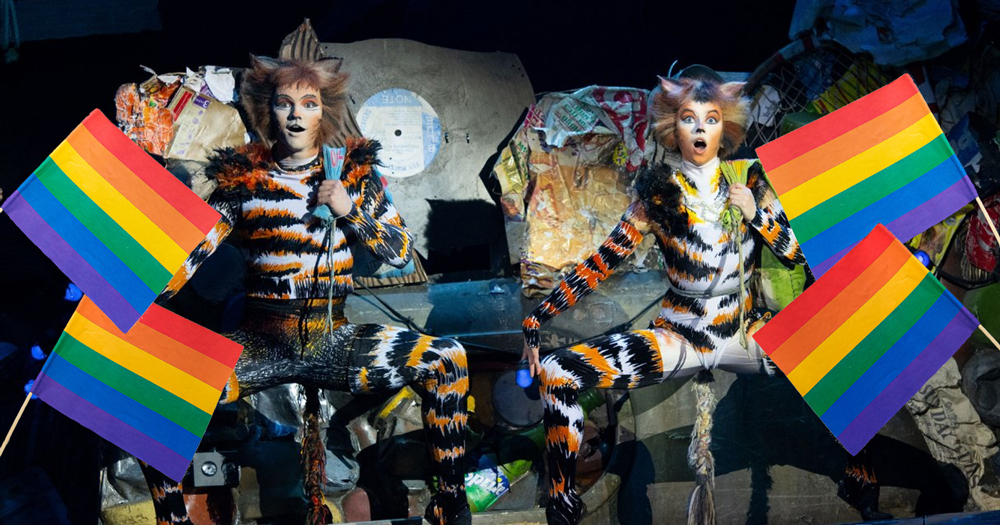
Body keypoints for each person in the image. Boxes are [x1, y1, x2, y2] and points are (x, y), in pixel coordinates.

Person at [149, 55, 471, 525]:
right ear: (270, 112)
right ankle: (172, 519)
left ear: (324, 112)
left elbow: (402, 251)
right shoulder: (244, 181)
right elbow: (191, 256)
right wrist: (140, 288)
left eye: (308, 103)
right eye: (285, 103)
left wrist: (349, 211)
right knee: (157, 388)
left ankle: (450, 505)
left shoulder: (356, 176)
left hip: (333, 335)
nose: (296, 114)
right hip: (262, 339)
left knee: (447, 359)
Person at [520, 69, 804, 525]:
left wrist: (756, 215)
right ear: (673, 127)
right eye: (689, 119)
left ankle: (860, 475)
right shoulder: (658, 194)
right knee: (557, 373)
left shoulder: (750, 181)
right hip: (680, 338)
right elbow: (602, 261)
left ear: (724, 126)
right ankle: (563, 503)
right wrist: (537, 319)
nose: (699, 130)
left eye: (710, 119)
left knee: (842, 362)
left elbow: (793, 253)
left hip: (744, 334)